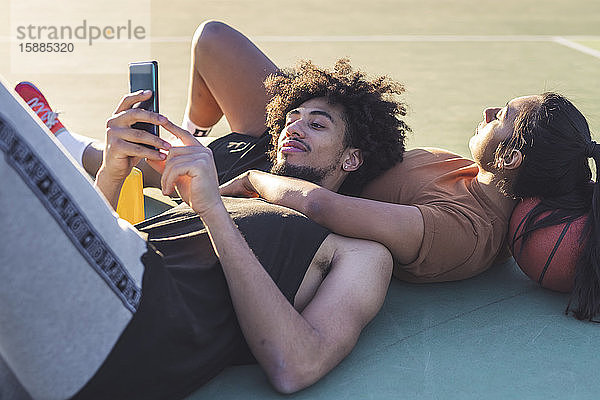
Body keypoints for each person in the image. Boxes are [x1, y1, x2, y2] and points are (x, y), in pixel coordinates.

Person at [1, 23, 408, 398]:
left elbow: (297, 366)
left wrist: (214, 210)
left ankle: (62, 141)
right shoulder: (240, 176)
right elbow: (99, 244)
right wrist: (112, 172)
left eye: (317, 125)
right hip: (73, 298)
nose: (294, 127)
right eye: (291, 118)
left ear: (351, 159)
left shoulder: (360, 253)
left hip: (131, 319)